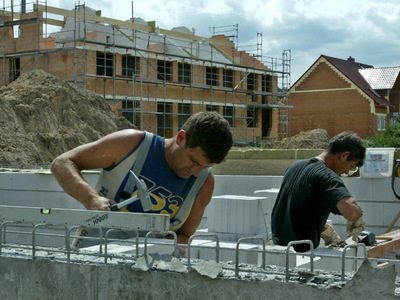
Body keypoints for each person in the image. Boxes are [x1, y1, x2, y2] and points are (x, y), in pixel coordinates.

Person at [51, 111, 233, 245]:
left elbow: (184, 235)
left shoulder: (203, 184)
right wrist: (91, 199)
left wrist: (162, 244)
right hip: (93, 257)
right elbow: (62, 163)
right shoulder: (131, 146)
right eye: (193, 161)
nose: (195, 172)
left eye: (205, 167)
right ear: (181, 138)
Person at [271, 131, 367, 252]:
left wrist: (323, 229)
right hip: (301, 256)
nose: (347, 172)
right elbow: (351, 211)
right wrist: (359, 216)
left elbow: (297, 209)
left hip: (276, 249)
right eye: (351, 166)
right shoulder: (326, 176)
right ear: (344, 156)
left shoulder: (295, 167)